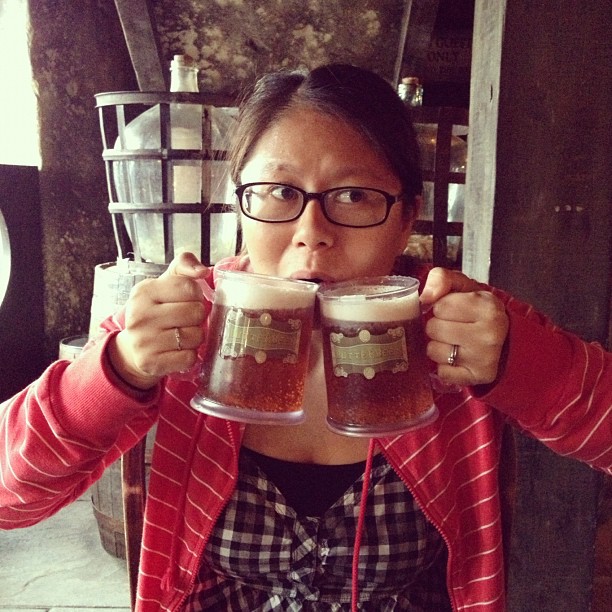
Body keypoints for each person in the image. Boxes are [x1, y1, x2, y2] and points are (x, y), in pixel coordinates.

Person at [0, 64, 610, 612]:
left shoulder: (456, 322)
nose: (311, 233)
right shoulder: (191, 316)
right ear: (240, 206)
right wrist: (116, 370)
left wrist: (522, 366)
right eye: (278, 193)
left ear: (406, 215)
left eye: (353, 195)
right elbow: (9, 496)